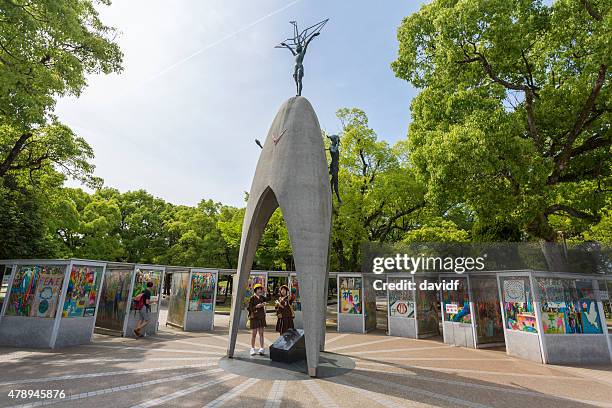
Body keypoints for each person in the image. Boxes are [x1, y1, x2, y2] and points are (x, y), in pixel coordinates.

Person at [247, 283, 268, 356]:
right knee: (254, 334)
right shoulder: (252, 298)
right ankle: (252, 348)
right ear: (255, 290)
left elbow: (269, 299)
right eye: (258, 289)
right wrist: (256, 306)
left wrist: (266, 291)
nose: (260, 290)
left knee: (261, 333)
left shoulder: (262, 297)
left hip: (261, 317)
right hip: (254, 318)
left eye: (260, 289)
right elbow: (249, 308)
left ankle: (262, 348)